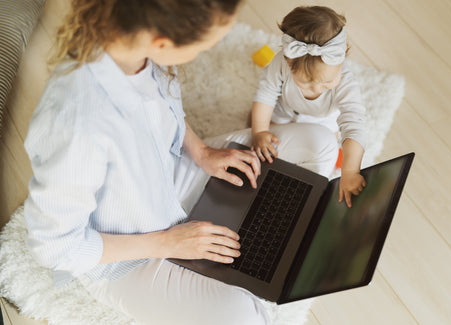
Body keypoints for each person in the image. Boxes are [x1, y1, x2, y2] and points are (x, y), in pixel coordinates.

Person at [22, 1, 339, 324]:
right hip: (128, 253)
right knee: (243, 315)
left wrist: (202, 152)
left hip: (176, 174)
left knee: (321, 144)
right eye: (206, 44)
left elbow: (164, 111)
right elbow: (55, 248)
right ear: (163, 42)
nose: (208, 50)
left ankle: (264, 243)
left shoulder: (133, 46)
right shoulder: (77, 127)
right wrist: (166, 242)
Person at [251, 6, 368, 207]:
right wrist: (259, 131)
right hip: (285, 108)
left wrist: (351, 171)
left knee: (332, 145)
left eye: (326, 83)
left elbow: (354, 120)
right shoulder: (280, 62)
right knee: (258, 133)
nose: (316, 88)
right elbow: (266, 93)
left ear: (342, 57)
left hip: (322, 119)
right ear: (288, 61)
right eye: (305, 83)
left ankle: (342, 153)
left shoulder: (345, 81)